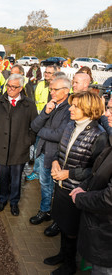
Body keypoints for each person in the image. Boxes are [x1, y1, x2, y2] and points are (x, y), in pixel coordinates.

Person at [44, 91, 108, 275]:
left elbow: (96, 172)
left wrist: (69, 173)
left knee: (72, 230)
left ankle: (70, 265)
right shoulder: (70, 126)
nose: (71, 108)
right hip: (61, 186)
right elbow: (61, 150)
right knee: (63, 224)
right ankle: (62, 255)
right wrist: (56, 161)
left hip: (76, 191)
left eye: (76, 106)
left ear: (88, 109)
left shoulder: (99, 135)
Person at [70, 97, 112, 275]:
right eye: (107, 108)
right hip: (100, 229)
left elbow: (109, 198)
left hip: (107, 236)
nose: (106, 114)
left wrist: (80, 197)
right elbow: (98, 171)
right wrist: (85, 186)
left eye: (111, 109)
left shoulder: (101, 136)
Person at [0, 74, 37, 215]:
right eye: (8, 86)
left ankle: (14, 202)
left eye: (14, 87)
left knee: (16, 179)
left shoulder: (29, 105)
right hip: (1, 148)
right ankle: (2, 200)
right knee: (3, 177)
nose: (10, 89)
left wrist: (28, 142)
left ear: (20, 88)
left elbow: (34, 127)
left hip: (19, 149)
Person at [29, 76, 71, 225]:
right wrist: (46, 112)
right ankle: (46, 210)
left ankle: (49, 213)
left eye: (55, 89)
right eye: (51, 89)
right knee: (44, 184)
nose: (51, 92)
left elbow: (59, 135)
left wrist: (41, 131)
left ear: (66, 91)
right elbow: (34, 125)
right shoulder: (52, 105)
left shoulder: (69, 109)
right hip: (43, 151)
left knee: (51, 187)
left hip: (55, 155)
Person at [26, 65, 58, 181]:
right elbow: (35, 101)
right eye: (46, 72)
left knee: (49, 151)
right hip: (41, 121)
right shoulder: (40, 85)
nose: (46, 74)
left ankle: (46, 174)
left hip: (53, 124)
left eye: (49, 73)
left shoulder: (59, 88)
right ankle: (36, 171)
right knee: (37, 148)